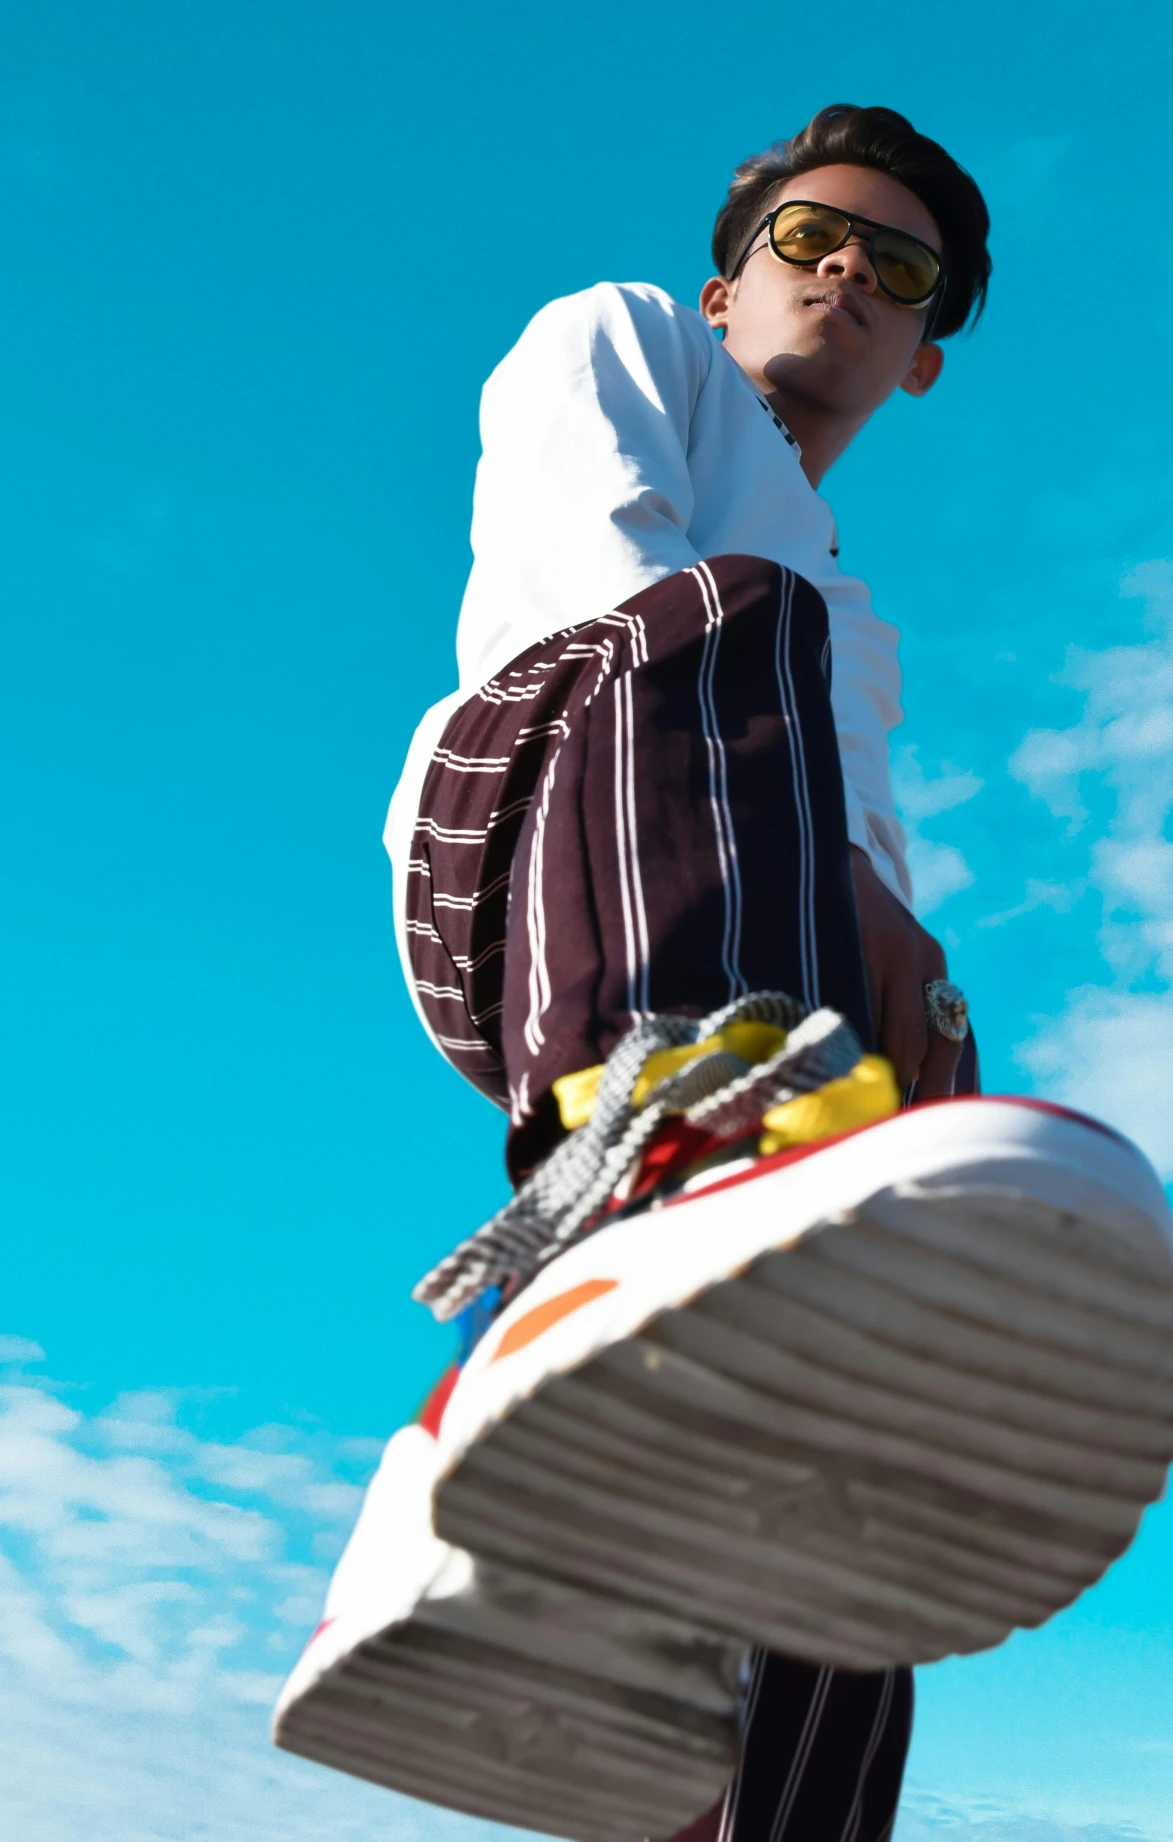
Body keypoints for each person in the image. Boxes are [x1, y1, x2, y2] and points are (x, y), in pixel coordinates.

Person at [382, 104, 993, 1842]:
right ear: (732, 287)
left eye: (897, 270)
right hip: (541, 830)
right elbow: (602, 579)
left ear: (923, 356)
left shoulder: (852, 619)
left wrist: (915, 1018)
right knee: (735, 619)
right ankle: (675, 1152)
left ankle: (767, 1703)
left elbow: (855, 844)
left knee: (926, 1064)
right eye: (813, 243)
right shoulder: (629, 341)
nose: (849, 283)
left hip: (762, 929)